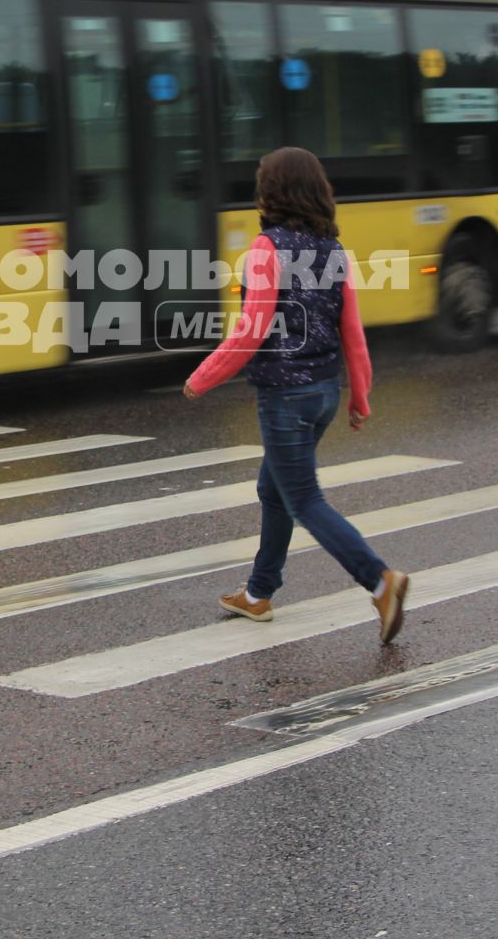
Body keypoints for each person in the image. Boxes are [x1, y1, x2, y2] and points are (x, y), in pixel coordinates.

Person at [183, 146, 409, 643]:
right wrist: (360, 396)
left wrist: (202, 376)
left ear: (272, 193)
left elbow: (251, 330)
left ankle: (379, 580)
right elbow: (353, 331)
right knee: (275, 490)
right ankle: (259, 593)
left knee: (304, 498)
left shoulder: (266, 249)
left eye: (262, 184)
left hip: (285, 397)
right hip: (324, 392)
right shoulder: (333, 251)